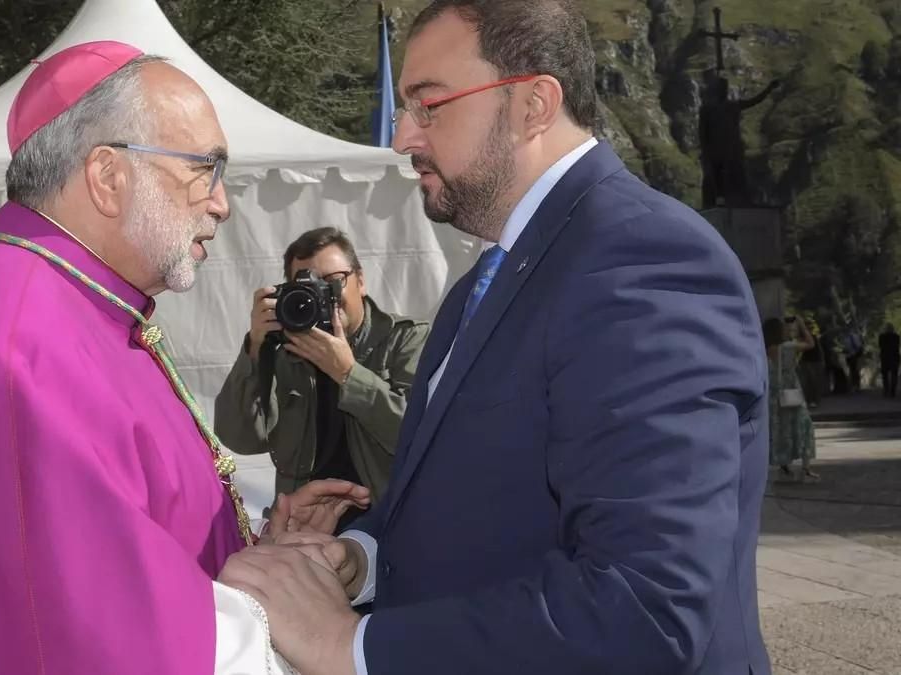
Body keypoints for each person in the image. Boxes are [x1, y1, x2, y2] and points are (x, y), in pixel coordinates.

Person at [0, 41, 365, 675]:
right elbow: (98, 629)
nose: (221, 202)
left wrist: (262, 554)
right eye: (204, 168)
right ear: (108, 177)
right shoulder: (23, 340)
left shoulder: (45, 300)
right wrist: (284, 618)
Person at [217, 2, 771, 673]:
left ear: (533, 104)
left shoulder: (643, 263)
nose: (402, 139)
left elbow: (643, 607)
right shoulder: (485, 281)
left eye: (429, 105)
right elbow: (485, 509)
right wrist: (359, 559)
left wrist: (350, 644)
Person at [214, 227, 430, 526]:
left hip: (390, 525)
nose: (324, 296)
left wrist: (348, 374)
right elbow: (239, 438)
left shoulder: (404, 340)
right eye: (308, 286)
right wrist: (254, 350)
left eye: (332, 282)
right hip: (307, 529)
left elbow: (419, 434)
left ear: (361, 280)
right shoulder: (284, 352)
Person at [765, 317, 819, 482]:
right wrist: (801, 325)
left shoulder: (765, 348)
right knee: (803, 424)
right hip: (791, 390)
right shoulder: (788, 347)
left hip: (774, 392)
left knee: (781, 428)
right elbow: (811, 344)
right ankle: (806, 467)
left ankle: (784, 465)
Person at [799, 319, 826, 408]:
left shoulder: (813, 337)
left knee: (813, 381)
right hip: (808, 361)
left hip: (814, 362)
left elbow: (817, 350)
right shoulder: (805, 338)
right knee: (808, 382)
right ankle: (810, 399)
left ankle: (814, 400)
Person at [880, 323, 900, 398]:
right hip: (894, 357)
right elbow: (897, 346)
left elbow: (881, 346)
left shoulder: (882, 336)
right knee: (894, 375)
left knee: (885, 375)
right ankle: (892, 391)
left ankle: (886, 390)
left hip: (885, 358)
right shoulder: (896, 336)